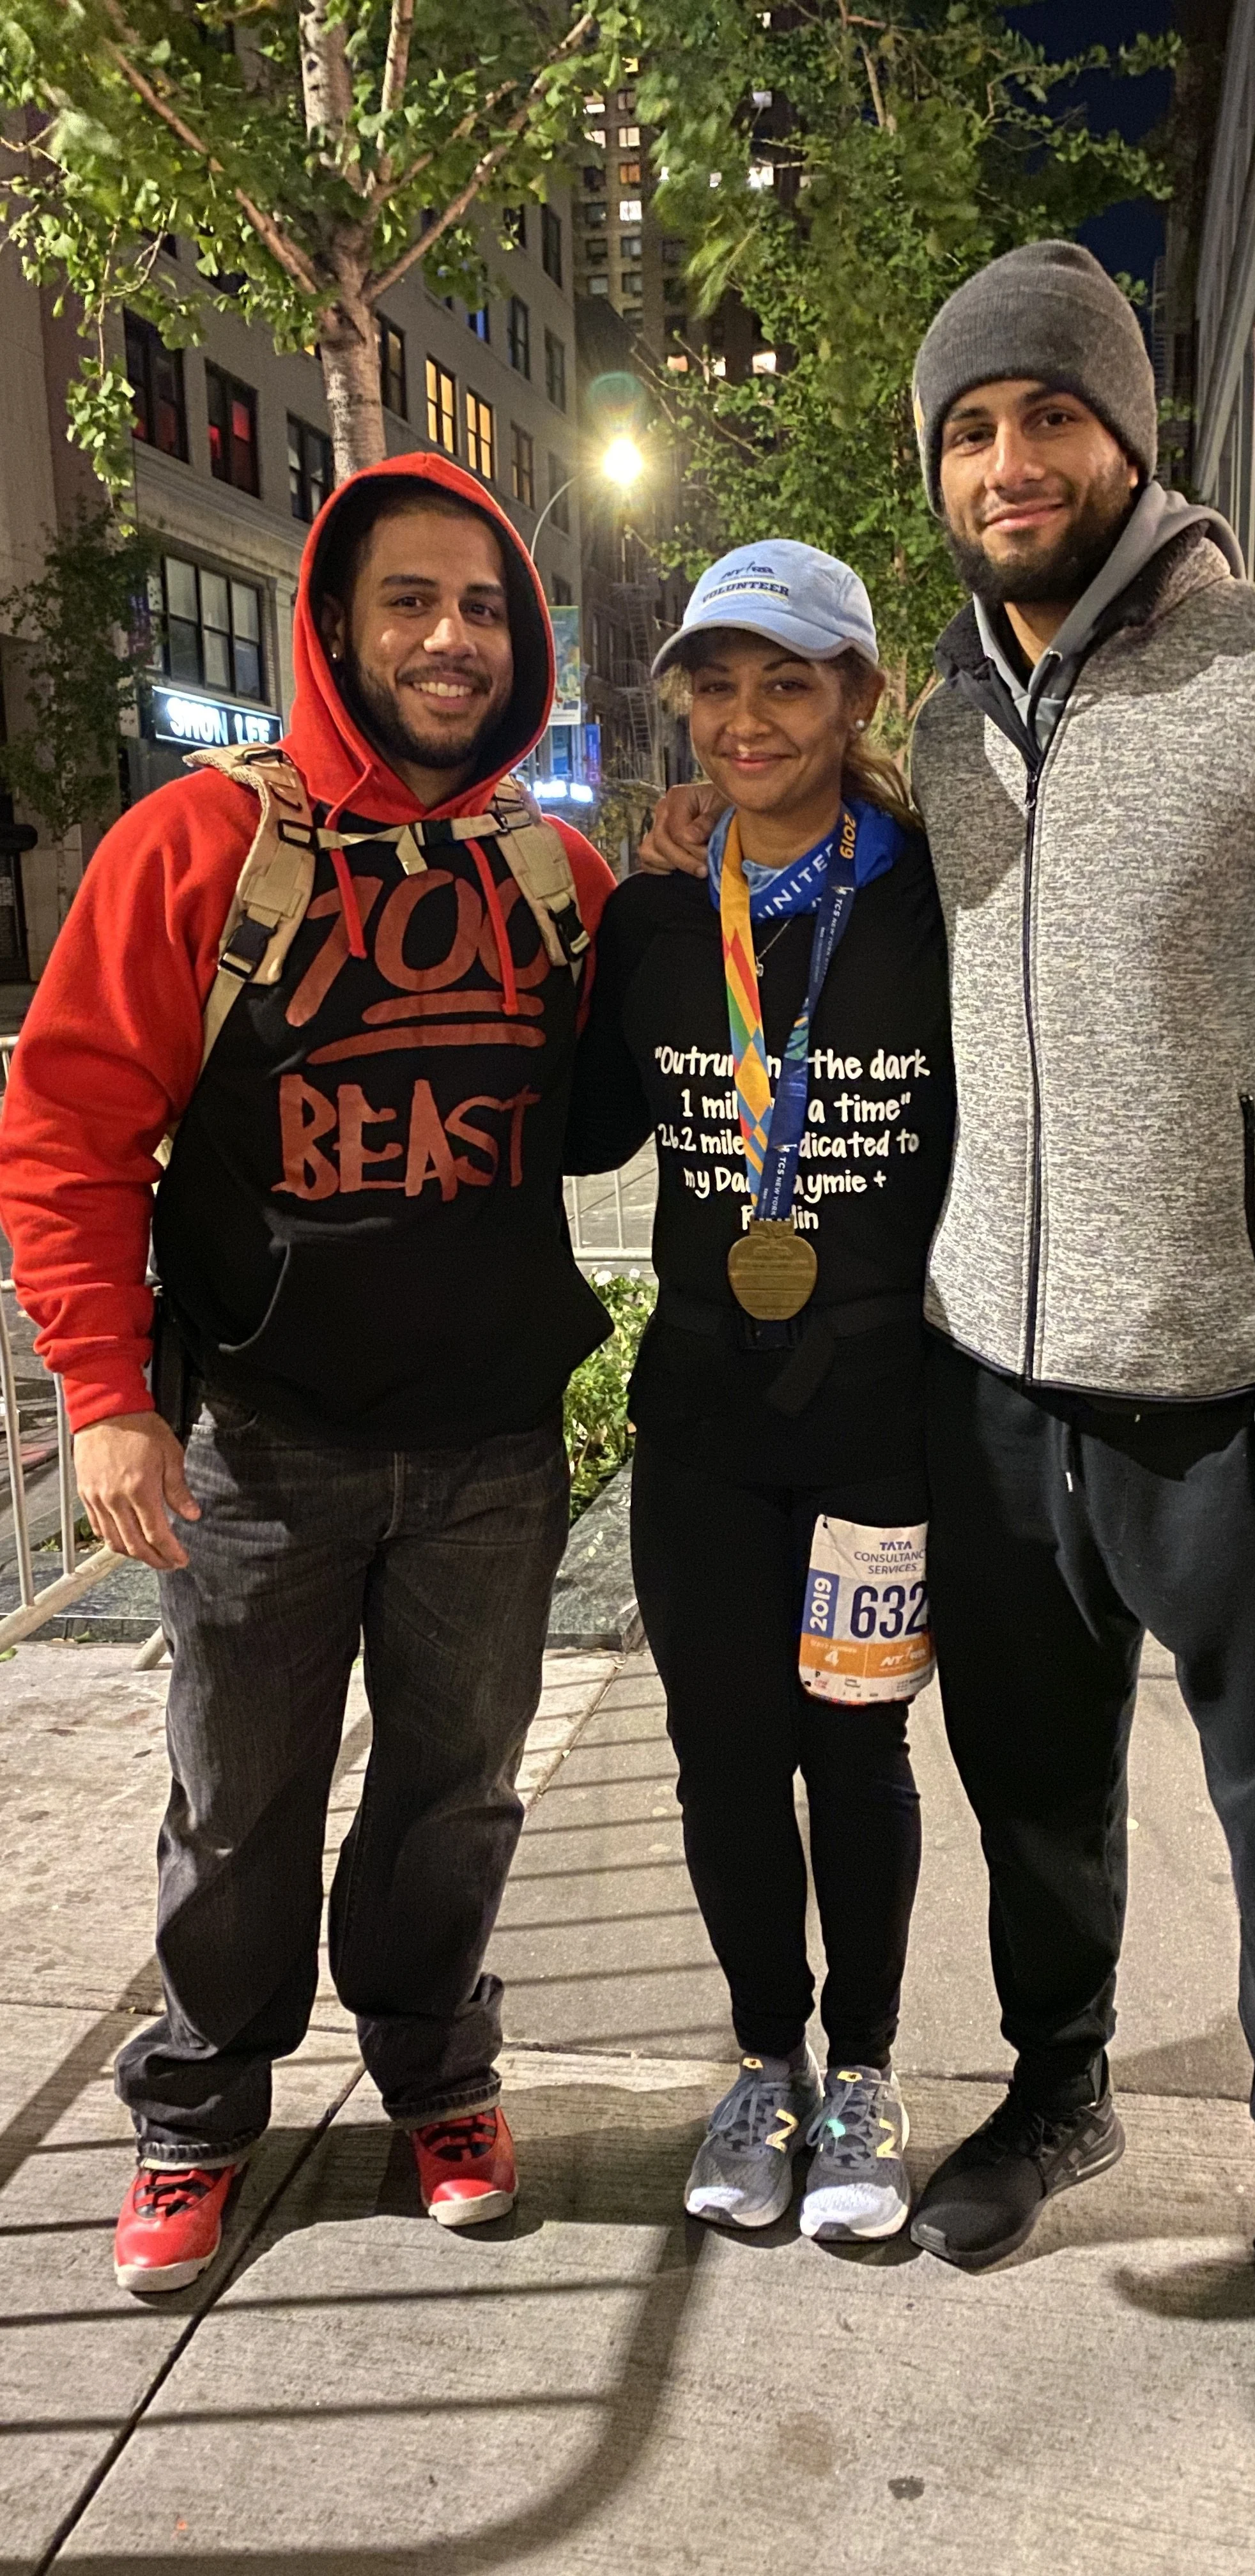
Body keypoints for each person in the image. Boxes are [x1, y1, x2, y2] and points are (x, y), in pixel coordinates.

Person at [640, 242, 1255, 2462]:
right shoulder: (938, 749)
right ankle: (1061, 2091)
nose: (1008, 461)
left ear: (1127, 436)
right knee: (1035, 1806)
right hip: (990, 1389)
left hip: (1242, 1394)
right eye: (968, 430)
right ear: (936, 474)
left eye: (1046, 417)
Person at [0, 453, 617, 2294]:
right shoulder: (191, 846)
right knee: (235, 1801)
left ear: (523, 645)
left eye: (484, 607)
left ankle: (435, 2074)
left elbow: (610, 1111)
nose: (449, 637)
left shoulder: (554, 871)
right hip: (264, 1443)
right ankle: (198, 2107)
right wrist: (106, 1395)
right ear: (334, 628)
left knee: (458, 1794)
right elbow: (69, 1130)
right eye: (409, 602)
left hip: (494, 1444)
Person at [566, 542, 953, 2239]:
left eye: (786, 682)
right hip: (705, 1406)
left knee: (851, 1746)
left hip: (883, 1400)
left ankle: (859, 2073)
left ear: (856, 698)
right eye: (713, 684)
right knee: (719, 1748)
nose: (744, 719)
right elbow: (582, 1131)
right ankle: (759, 2065)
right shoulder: (658, 912)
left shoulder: (939, 895)